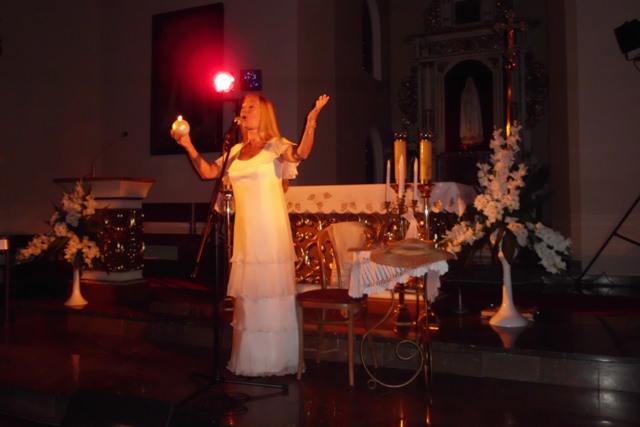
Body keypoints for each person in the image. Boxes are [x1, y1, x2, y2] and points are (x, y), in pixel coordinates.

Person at [171, 93, 330, 377]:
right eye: (242, 106)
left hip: (270, 231)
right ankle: (251, 361)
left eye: (251, 106)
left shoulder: (276, 145)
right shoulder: (235, 151)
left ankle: (275, 360)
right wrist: (188, 145)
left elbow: (301, 154)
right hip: (246, 234)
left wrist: (311, 122)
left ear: (264, 112)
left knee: (270, 295)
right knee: (250, 298)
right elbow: (208, 172)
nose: (244, 110)